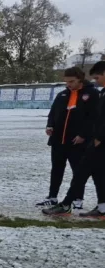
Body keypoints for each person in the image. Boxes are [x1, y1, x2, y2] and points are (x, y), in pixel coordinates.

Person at [44, 61, 105, 217]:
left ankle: (67, 204)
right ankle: (102, 207)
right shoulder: (64, 95)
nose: (96, 81)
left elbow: (96, 118)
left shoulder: (92, 94)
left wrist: (95, 136)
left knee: (81, 172)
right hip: (68, 141)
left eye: (97, 77)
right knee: (97, 173)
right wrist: (51, 125)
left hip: (91, 142)